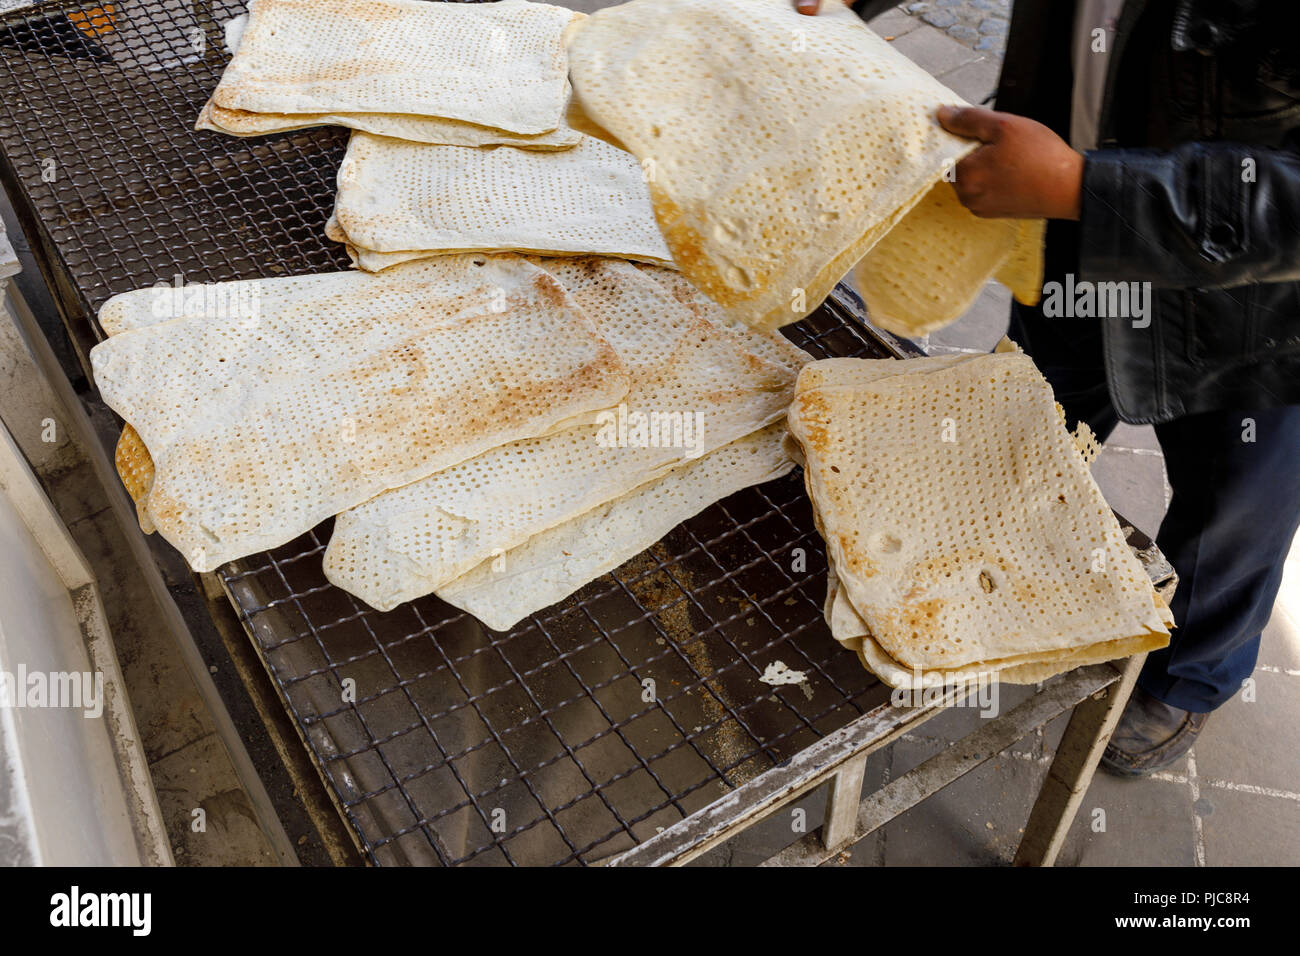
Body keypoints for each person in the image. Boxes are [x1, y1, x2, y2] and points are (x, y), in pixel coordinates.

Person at [797, 0, 1300, 775]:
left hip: (1260, 306)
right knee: (1029, 420)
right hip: (1070, 222)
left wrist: (1085, 187)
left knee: (1236, 506)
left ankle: (1189, 679)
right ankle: (968, 592)